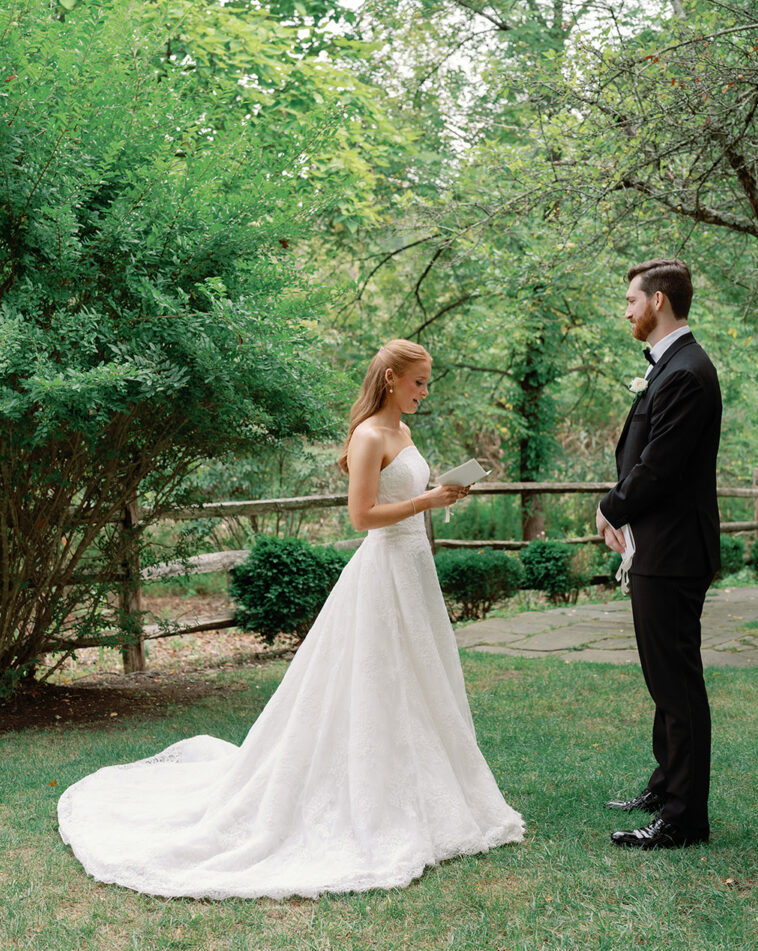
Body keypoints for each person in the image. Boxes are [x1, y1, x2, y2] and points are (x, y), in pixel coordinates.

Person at [58, 338, 524, 898]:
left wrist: (440, 493)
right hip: (384, 570)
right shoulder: (370, 435)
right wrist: (427, 502)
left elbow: (405, 495)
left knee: (421, 678)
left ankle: (426, 789)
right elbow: (362, 517)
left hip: (416, 568)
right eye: (419, 381)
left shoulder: (403, 432)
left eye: (428, 382)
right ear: (391, 379)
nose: (426, 391)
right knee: (376, 680)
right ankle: (369, 799)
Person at [596, 259, 722, 849]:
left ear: (660, 300)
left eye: (631, 300)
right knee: (662, 679)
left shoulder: (687, 373)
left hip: (673, 552)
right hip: (660, 547)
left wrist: (611, 506)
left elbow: (660, 467)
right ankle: (664, 784)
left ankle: (682, 818)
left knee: (677, 685)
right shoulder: (670, 366)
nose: (625, 310)